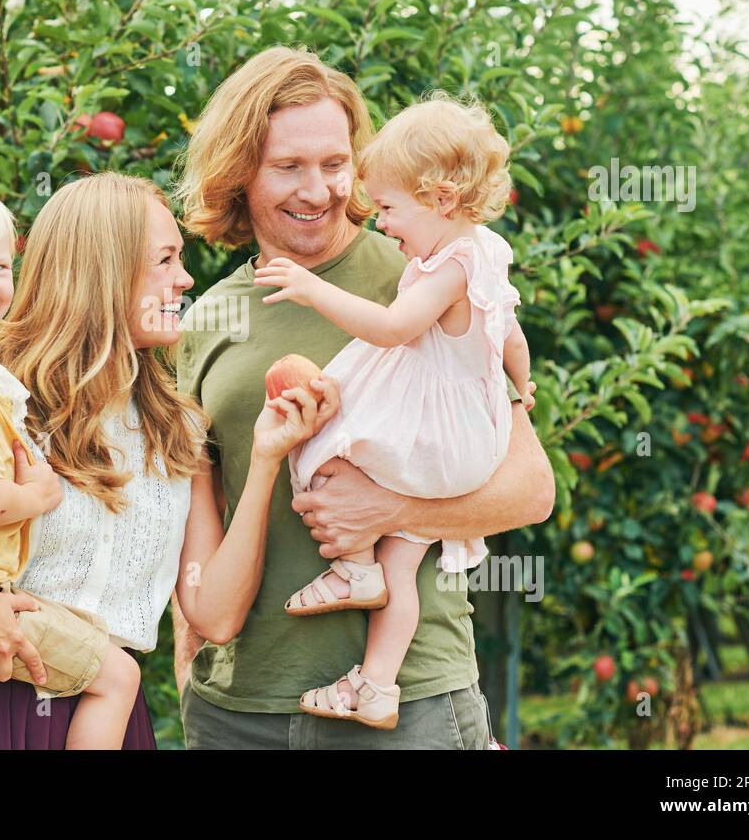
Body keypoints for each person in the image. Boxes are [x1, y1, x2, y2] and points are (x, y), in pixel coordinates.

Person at [0, 172, 337, 748]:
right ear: (104, 270)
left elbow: (215, 614)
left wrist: (265, 459)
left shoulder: (177, 429)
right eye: (164, 260)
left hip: (101, 719)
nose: (184, 280)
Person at [173, 45, 554, 748]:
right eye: (288, 167)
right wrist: (189, 665)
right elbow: (196, 519)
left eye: (334, 163)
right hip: (237, 711)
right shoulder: (204, 322)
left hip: (407, 705)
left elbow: (531, 490)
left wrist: (394, 509)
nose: (316, 190)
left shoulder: (425, 276)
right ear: (239, 168)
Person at [251, 94, 535, 730]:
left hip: (444, 440)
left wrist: (311, 286)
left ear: (439, 198)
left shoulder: (451, 265)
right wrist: (523, 380)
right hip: (469, 440)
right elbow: (509, 332)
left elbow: (391, 328)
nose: (381, 223)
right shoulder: (484, 252)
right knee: (400, 568)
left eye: (388, 208)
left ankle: (352, 566)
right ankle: (376, 688)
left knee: (328, 439)